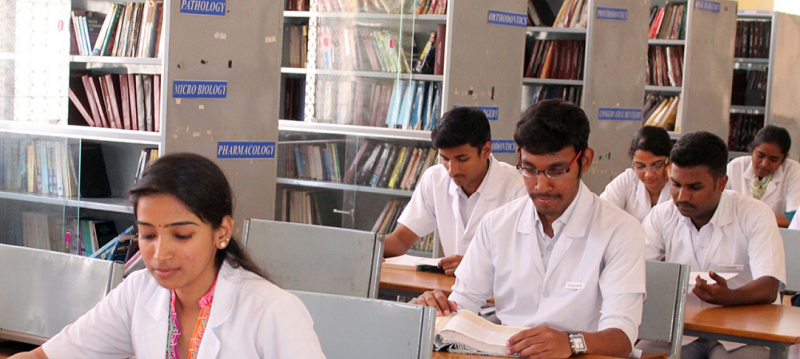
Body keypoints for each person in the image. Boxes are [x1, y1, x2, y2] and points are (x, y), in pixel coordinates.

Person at [11, 153, 326, 359]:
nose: (159, 254)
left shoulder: (273, 311)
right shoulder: (139, 293)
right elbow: (48, 356)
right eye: (147, 235)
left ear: (222, 232)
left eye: (182, 235)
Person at [412, 99, 646, 358]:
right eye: (530, 170)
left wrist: (570, 343)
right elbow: (464, 303)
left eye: (557, 171)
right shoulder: (497, 224)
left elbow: (622, 337)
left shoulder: (621, 230)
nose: (541, 186)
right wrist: (437, 308)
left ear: (586, 160)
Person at [643, 132, 786, 359]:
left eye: (694, 187)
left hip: (742, 334)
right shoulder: (662, 215)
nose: (682, 196)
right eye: (676, 184)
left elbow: (769, 286)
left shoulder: (755, 214)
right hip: (680, 328)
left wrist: (728, 297)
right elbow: (638, 270)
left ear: (721, 183)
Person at [383, 106, 526, 276]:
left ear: (486, 150)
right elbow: (400, 240)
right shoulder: (435, 179)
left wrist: (476, 266)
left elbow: (526, 262)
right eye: (445, 158)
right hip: (454, 293)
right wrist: (365, 249)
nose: (452, 169)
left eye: (462, 159)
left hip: (500, 297)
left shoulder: (518, 188)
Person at [726, 125, 800, 227]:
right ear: (752, 150)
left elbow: (794, 218)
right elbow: (719, 208)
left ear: (784, 159)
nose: (765, 163)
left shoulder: (793, 170)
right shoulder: (736, 167)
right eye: (760, 155)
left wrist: (752, 219)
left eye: (773, 159)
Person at [601, 126, 673, 222]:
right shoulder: (628, 180)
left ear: (670, 161)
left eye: (656, 166)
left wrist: (675, 178)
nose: (649, 174)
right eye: (640, 167)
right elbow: (602, 214)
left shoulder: (679, 186)